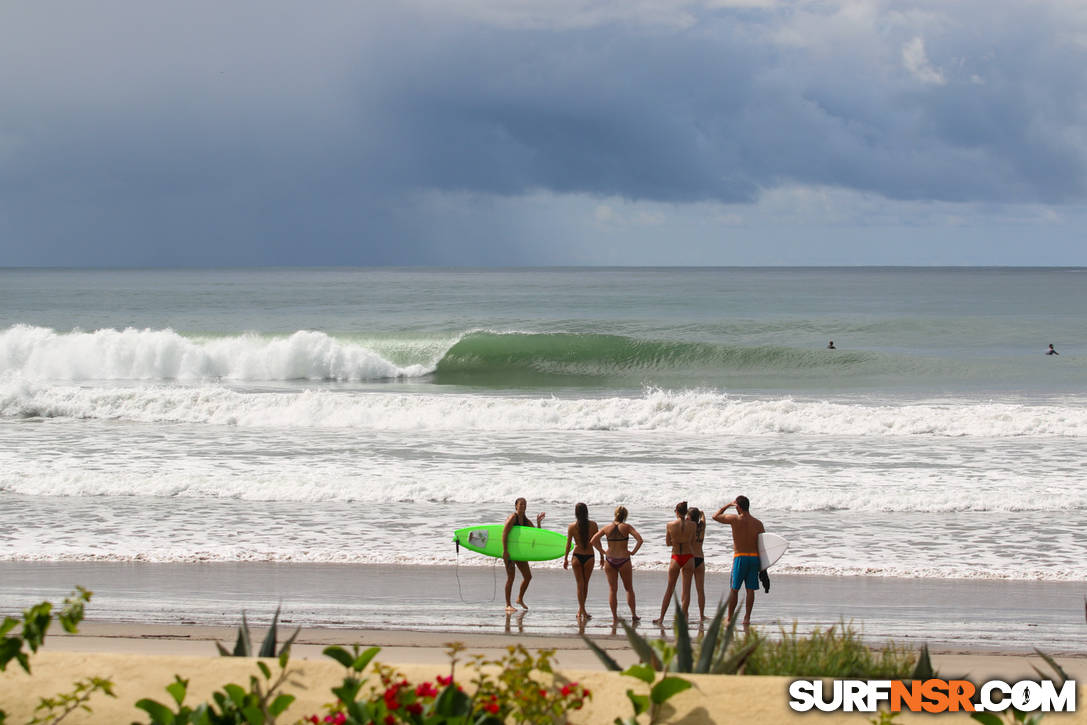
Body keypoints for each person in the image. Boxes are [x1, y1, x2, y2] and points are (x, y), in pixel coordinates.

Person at [713, 496, 765, 628]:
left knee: (734, 589)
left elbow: (715, 516)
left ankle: (730, 618)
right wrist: (764, 568)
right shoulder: (758, 523)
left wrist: (727, 505)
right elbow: (764, 546)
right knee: (750, 590)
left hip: (740, 558)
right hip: (754, 558)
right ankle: (747, 618)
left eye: (736, 506)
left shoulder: (735, 519)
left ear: (738, 507)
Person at [589, 505, 643, 622]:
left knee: (613, 590)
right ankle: (633, 615)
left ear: (615, 514)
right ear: (625, 516)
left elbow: (593, 540)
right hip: (624, 559)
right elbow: (640, 539)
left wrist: (602, 551)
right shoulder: (627, 527)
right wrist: (633, 552)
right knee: (628, 589)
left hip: (610, 560)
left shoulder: (607, 527)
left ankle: (614, 617)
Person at [653, 501, 696, 625]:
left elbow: (667, 543)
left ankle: (661, 618)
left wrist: (676, 541)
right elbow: (692, 541)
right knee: (686, 590)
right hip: (688, 557)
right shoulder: (693, 525)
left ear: (676, 511)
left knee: (669, 589)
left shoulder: (670, 525)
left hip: (676, 556)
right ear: (686, 512)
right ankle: (684, 619)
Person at [502, 497, 545, 612]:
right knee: (511, 577)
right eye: (521, 504)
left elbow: (536, 535)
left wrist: (538, 523)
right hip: (510, 552)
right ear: (516, 506)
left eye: (525, 505)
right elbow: (504, 533)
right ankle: (508, 604)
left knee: (528, 576)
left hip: (519, 552)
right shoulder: (512, 518)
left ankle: (519, 598)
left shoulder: (526, 520)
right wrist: (505, 551)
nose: (523, 506)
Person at [563, 502, 603, 621]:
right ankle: (582, 609)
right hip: (589, 556)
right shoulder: (593, 525)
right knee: (585, 584)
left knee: (580, 584)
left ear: (576, 513)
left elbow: (568, 544)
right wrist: (602, 556)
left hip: (577, 556)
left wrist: (565, 559)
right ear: (586, 512)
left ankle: (581, 610)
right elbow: (597, 542)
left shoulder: (572, 527)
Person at [686, 507, 708, 621]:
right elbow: (704, 519)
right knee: (700, 590)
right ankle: (702, 615)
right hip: (700, 558)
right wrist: (702, 513)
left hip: (690, 558)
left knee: (687, 589)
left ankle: (685, 614)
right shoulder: (702, 526)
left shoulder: (689, 528)